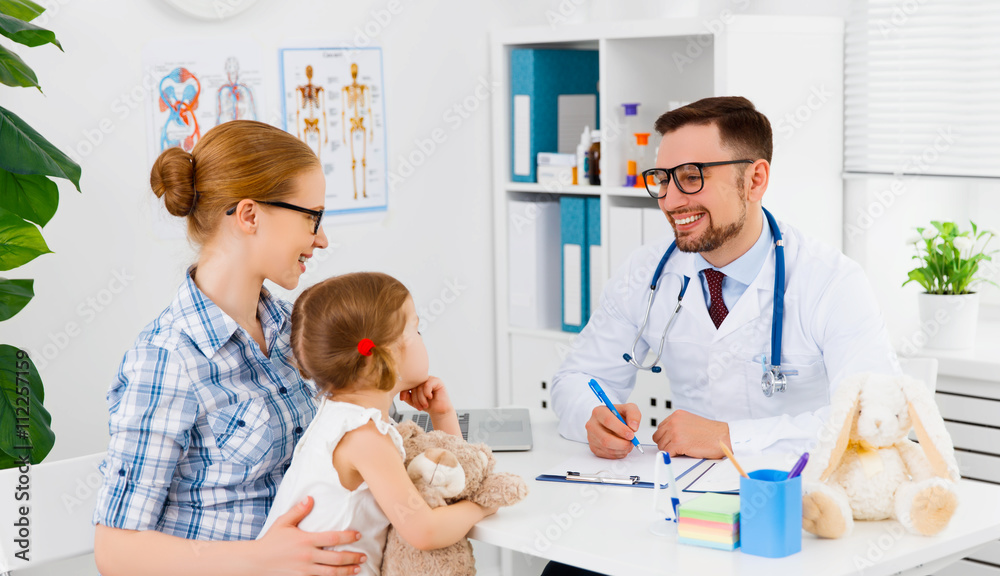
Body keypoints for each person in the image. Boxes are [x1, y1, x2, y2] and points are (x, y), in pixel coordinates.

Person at [550, 96, 899, 461]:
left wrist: (730, 438)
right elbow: (576, 378)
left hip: (799, 496)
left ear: (755, 179)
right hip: (683, 496)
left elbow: (875, 416)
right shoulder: (646, 271)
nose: (669, 201)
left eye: (690, 177)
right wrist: (593, 416)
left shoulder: (831, 282)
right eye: (662, 180)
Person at [92, 120, 366, 576]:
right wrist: (260, 558)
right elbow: (116, 552)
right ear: (250, 215)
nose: (321, 238)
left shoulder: (289, 326)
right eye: (311, 217)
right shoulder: (168, 358)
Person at [259, 272, 498, 574]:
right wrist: (483, 505)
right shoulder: (364, 437)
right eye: (417, 331)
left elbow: (447, 479)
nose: (423, 339)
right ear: (381, 357)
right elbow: (424, 531)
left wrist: (442, 414)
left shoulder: (340, 416)